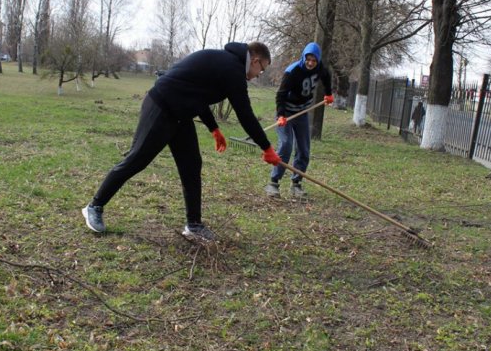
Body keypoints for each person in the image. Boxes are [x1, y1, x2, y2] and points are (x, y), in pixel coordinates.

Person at [82, 41, 282, 241]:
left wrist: (214, 129)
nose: (258, 75)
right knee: (137, 159)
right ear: (255, 60)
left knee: (192, 165)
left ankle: (194, 225)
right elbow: (245, 114)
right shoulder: (232, 68)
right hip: (161, 106)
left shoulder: (226, 63)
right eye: (262, 70)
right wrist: (266, 147)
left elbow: (198, 96)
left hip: (181, 114)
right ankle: (94, 206)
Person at [265, 42, 333, 198]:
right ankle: (273, 183)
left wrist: (328, 93)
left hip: (302, 112)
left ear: (318, 61)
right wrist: (281, 115)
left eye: (314, 60)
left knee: (304, 149)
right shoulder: (292, 71)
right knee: (286, 145)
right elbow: (280, 95)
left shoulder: (320, 68)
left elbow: (327, 76)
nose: (310, 63)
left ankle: (296, 184)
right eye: (308, 59)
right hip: (286, 114)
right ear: (303, 57)